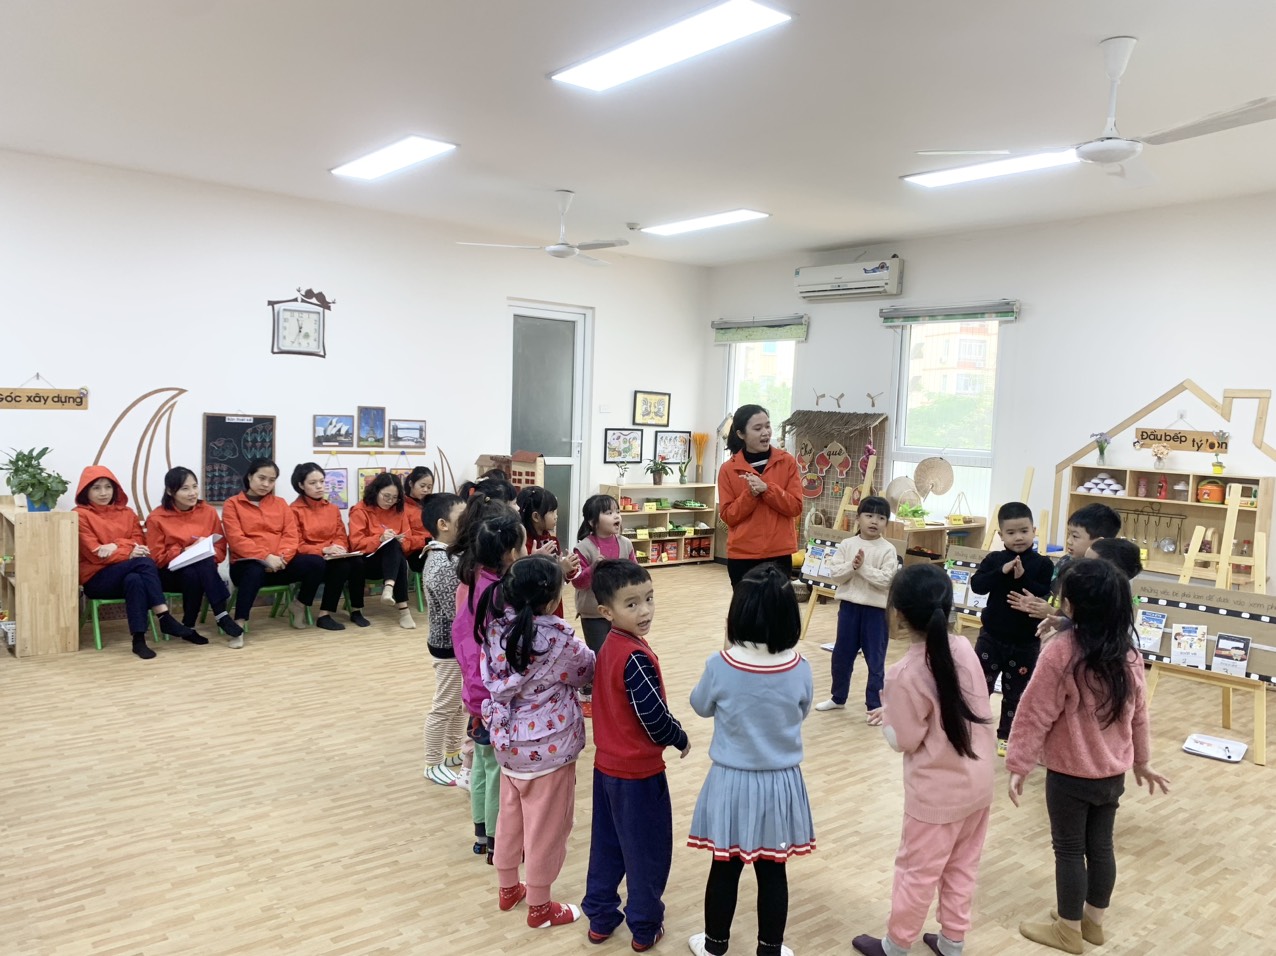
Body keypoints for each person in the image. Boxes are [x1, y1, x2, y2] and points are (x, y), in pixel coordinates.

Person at [1006, 559, 1171, 955]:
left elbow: (1034, 712)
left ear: (1071, 606)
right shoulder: (1129, 655)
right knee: (1100, 848)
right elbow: (1139, 714)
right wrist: (1142, 761)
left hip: (1069, 775)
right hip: (1112, 776)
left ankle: (1068, 930)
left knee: (1068, 851)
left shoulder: (1061, 651)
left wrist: (1018, 764)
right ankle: (1092, 923)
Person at [851, 563, 995, 956]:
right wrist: (895, 711)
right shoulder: (963, 648)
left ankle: (896, 945)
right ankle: (952, 942)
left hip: (936, 795)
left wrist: (888, 718)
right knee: (962, 866)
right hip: (978, 784)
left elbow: (904, 740)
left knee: (916, 872)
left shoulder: (905, 672)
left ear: (897, 613)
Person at [686, 564, 814, 956]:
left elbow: (700, 705)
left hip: (731, 782)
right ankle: (770, 950)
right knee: (773, 870)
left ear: (736, 614)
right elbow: (802, 711)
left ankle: (714, 946)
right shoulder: (800, 667)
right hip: (780, 782)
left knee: (724, 867)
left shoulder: (720, 664)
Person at [478, 554, 594, 930]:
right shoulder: (557, 639)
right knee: (547, 830)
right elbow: (585, 671)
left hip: (507, 744)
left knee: (510, 819)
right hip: (549, 753)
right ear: (552, 598)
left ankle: (508, 888)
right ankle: (541, 908)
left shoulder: (495, 631)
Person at [583, 560, 690, 952]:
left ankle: (600, 917)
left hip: (606, 770)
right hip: (639, 777)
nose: (645, 611)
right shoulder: (634, 657)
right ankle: (645, 926)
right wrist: (679, 737)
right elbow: (653, 718)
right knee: (647, 852)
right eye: (632, 604)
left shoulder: (610, 646)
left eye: (649, 599)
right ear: (606, 611)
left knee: (607, 847)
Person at [451, 500, 524, 863]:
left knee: (481, 763)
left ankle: (481, 833)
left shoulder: (472, 579)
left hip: (473, 690)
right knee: (495, 769)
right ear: (509, 553)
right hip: (491, 695)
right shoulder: (498, 594)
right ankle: (497, 840)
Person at [73, 465, 200, 659]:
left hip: (126, 574)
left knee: (135, 579)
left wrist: (116, 545)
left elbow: (140, 543)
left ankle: (138, 641)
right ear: (85, 491)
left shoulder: (128, 513)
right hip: (97, 578)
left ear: (115, 488)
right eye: (96, 488)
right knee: (144, 563)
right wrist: (128, 551)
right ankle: (164, 616)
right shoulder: (79, 515)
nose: (103, 493)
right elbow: (95, 553)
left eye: (108, 487)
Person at [969, 502, 1055, 754]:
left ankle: (1006, 735)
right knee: (979, 687)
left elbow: (1044, 592)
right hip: (991, 637)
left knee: (1016, 693)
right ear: (1001, 535)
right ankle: (974, 730)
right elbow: (977, 585)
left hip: (1025, 642)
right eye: (1011, 532)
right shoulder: (994, 559)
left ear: (1034, 531)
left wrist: (1021, 578)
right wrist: (1001, 571)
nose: (1018, 537)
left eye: (1024, 531)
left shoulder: (1043, 564)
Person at [222, 458, 326, 647]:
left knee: (316, 563)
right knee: (253, 570)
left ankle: (299, 605)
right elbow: (236, 540)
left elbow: (291, 535)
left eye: (271, 480)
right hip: (246, 565)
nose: (266, 484)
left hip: (280, 563)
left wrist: (281, 557)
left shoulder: (280, 504)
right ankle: (239, 625)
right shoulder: (232, 504)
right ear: (250, 476)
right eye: (261, 478)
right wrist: (265, 557)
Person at [815, 496, 899, 722]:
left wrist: (861, 568)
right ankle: (837, 697)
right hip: (849, 609)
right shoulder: (847, 545)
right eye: (869, 516)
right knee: (841, 656)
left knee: (875, 660)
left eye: (881, 518)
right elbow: (835, 574)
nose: (874, 521)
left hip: (876, 613)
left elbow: (886, 580)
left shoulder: (888, 549)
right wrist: (853, 566)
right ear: (858, 518)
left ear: (886, 523)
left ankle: (875, 706)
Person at [145, 465, 242, 641]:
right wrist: (185, 551)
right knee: (196, 568)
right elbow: (157, 558)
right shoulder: (156, 518)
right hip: (170, 574)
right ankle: (220, 614)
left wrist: (203, 551)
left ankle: (189, 626)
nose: (192, 493)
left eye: (195, 486)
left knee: (198, 566)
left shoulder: (208, 512)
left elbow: (220, 548)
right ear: (170, 491)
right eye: (185, 488)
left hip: (202, 571)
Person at [716, 404, 803, 587]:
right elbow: (729, 516)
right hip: (742, 556)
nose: (765, 433)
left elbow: (795, 507)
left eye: (767, 426)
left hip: (779, 554)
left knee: (777, 605)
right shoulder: (728, 469)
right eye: (757, 428)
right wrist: (750, 494)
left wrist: (767, 489)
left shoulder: (786, 462)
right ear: (741, 434)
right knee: (746, 606)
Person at [572, 493, 636, 715]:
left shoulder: (626, 544)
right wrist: (594, 568)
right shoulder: (584, 548)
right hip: (593, 613)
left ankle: (613, 691)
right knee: (598, 654)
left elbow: (634, 574)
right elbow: (578, 582)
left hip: (620, 612)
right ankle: (589, 691)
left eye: (617, 511)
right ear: (592, 521)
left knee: (619, 653)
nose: (616, 516)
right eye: (609, 513)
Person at [420, 492, 468, 786]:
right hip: (447, 645)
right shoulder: (441, 562)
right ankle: (432, 762)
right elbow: (456, 612)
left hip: (457, 643)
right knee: (445, 704)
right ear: (443, 524)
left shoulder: (452, 556)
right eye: (463, 517)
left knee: (460, 702)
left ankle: (452, 751)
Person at [289, 462, 369, 630]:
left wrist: (339, 547)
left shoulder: (332, 508)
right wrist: (323, 550)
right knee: (341, 566)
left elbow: (341, 535)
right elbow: (296, 544)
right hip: (310, 559)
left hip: (332, 556)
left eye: (322, 481)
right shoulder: (294, 510)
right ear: (301, 485)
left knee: (357, 562)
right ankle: (320, 613)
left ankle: (353, 610)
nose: (319, 486)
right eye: (313, 483)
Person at [1008, 503, 1120, 621]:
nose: (1068, 541)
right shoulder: (1065, 561)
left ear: (1099, 543)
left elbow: (1091, 620)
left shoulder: (1103, 577)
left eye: (1075, 536)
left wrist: (1052, 613)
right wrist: (1037, 603)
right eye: (1069, 534)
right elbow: (1052, 592)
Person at [348, 473, 419, 629]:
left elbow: (408, 540)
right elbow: (355, 544)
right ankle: (400, 609)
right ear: (376, 491)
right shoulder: (360, 510)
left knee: (396, 549)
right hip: (366, 561)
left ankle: (390, 590)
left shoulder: (399, 510)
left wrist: (401, 541)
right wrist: (379, 539)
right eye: (386, 496)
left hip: (391, 563)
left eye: (394, 498)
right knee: (358, 562)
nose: (390, 501)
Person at [516, 485, 581, 612]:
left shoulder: (552, 540)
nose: (556, 516)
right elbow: (524, 581)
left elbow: (561, 579)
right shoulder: (523, 543)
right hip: (534, 609)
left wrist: (568, 568)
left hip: (554, 606)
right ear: (536, 517)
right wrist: (537, 560)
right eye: (552, 512)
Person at [403, 466, 435, 575]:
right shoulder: (402, 508)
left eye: (429, 487)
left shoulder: (432, 504)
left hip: (434, 546)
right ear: (411, 484)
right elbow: (405, 541)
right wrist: (426, 541)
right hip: (415, 553)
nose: (426, 490)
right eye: (422, 486)